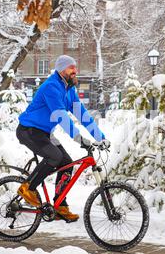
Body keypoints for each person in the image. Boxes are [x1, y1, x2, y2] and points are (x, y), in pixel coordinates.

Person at [16, 55, 110, 222]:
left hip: (44, 133)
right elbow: (61, 116)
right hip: (29, 130)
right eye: (70, 68)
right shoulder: (51, 87)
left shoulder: (69, 90)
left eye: (75, 67)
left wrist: (100, 137)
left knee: (67, 163)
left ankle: (60, 206)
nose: (75, 71)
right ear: (61, 70)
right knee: (54, 156)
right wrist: (79, 138)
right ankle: (28, 188)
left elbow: (82, 115)